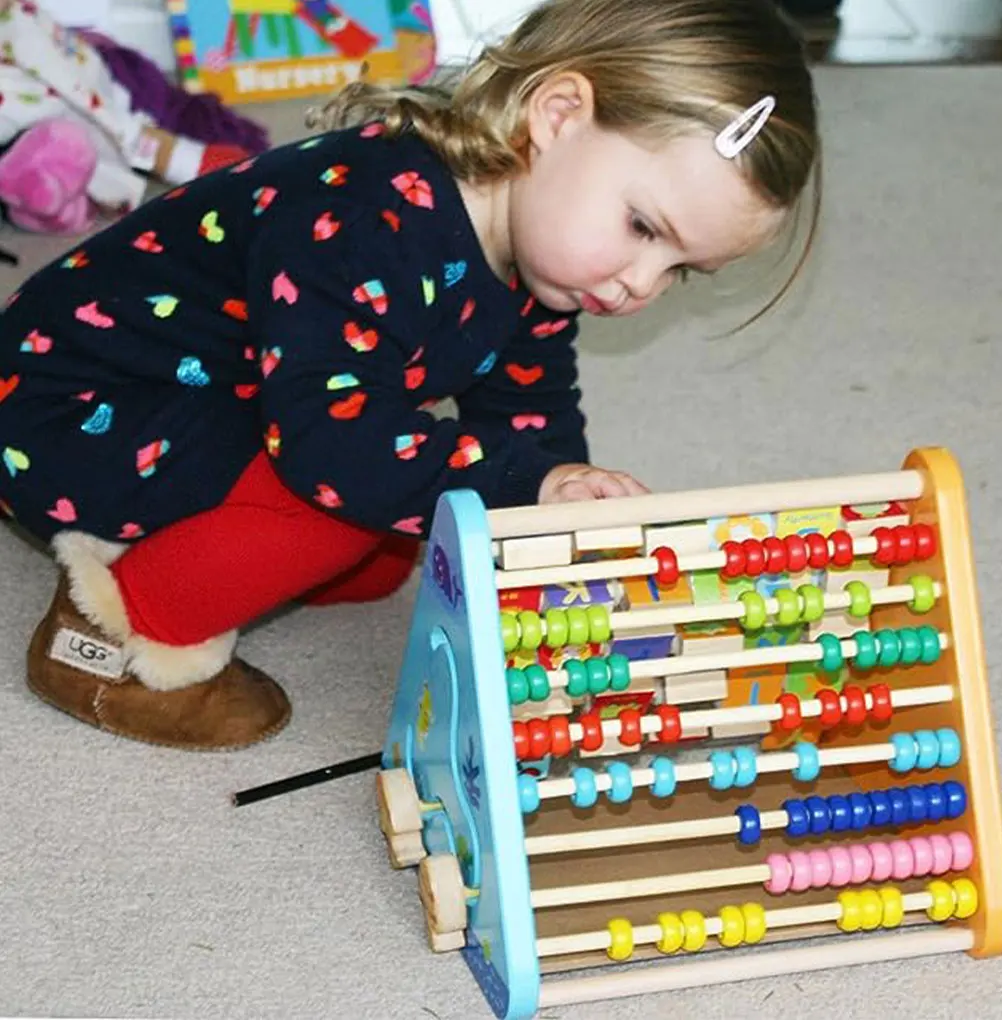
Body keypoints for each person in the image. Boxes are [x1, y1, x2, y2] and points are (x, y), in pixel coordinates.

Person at [0, 0, 820, 752]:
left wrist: (560, 522)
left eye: (683, 270)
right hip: (66, 411)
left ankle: (231, 542)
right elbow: (334, 449)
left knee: (401, 533)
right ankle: (116, 638)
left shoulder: (548, 256)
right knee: (348, 499)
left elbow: (527, 412)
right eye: (643, 227)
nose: (641, 284)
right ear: (557, 115)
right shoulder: (365, 221)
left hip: (217, 389)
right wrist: (513, 484)